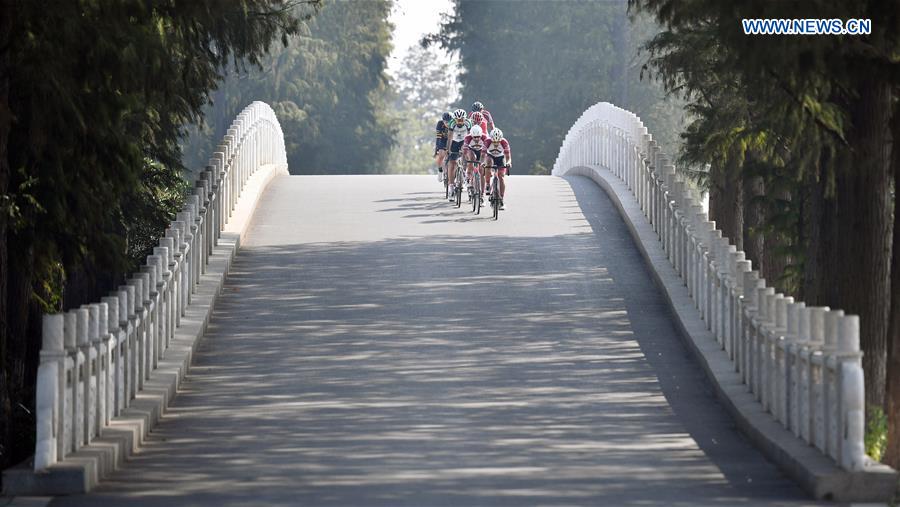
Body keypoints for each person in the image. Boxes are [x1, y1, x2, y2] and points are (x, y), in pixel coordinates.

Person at [446, 108, 472, 201]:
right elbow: (449, 138)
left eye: (461, 119)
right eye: (458, 119)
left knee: (467, 157)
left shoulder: (468, 123)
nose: (460, 121)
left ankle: (466, 174)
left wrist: (469, 148)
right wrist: (448, 150)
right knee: (452, 164)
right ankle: (451, 187)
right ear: (455, 119)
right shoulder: (452, 123)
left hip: (464, 141)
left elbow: (470, 136)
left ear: (465, 119)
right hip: (454, 141)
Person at [484, 128, 511, 209]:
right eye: (494, 142)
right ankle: (487, 184)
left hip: (500, 158)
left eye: (497, 142)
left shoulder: (504, 142)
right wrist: (483, 162)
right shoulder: (487, 141)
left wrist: (508, 163)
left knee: (501, 177)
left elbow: (508, 157)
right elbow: (482, 155)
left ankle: (501, 199)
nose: (496, 143)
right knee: (488, 163)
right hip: (490, 157)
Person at [462, 125, 489, 196]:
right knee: (471, 158)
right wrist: (465, 162)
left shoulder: (485, 138)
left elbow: (487, 153)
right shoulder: (467, 138)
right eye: (475, 137)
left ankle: (482, 194)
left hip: (481, 151)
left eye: (478, 137)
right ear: (471, 135)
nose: (477, 139)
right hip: (471, 150)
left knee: (481, 171)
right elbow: (465, 152)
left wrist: (484, 163)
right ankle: (469, 176)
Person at [434, 112, 451, 182]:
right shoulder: (440, 124)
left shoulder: (454, 124)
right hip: (442, 140)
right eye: (446, 122)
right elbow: (438, 137)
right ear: (443, 121)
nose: (448, 124)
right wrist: (437, 148)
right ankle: (440, 170)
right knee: (441, 155)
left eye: (449, 122)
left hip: (451, 140)